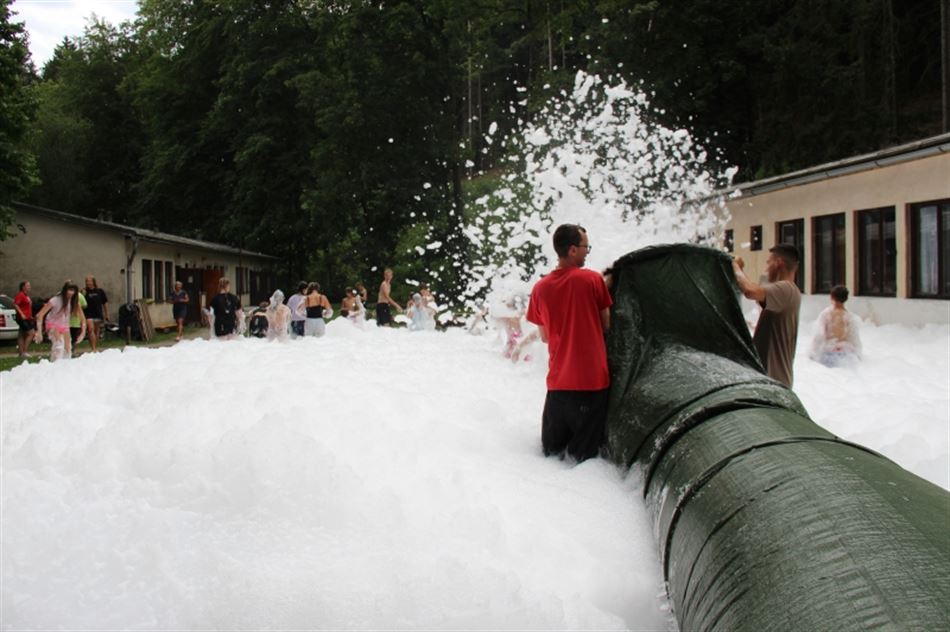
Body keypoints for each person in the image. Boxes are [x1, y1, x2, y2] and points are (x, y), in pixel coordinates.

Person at [526, 224, 613, 462]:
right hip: (591, 385)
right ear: (573, 250)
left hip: (558, 387)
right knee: (584, 463)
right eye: (586, 247)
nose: (587, 252)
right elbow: (606, 324)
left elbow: (545, 337)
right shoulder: (593, 280)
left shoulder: (540, 288)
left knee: (551, 458)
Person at [732, 244, 802, 387]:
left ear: (778, 263)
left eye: (768, 262)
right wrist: (740, 270)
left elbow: (750, 292)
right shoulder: (787, 292)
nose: (766, 268)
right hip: (774, 380)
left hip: (774, 382)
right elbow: (754, 291)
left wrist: (734, 266)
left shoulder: (786, 289)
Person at [810, 285, 862, 367]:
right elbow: (855, 339)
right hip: (846, 354)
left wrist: (812, 353)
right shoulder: (850, 317)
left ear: (832, 297)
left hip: (829, 352)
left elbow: (819, 336)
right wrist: (858, 355)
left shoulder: (827, 314)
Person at [34, 281, 86, 361]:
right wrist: (39, 332)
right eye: (69, 290)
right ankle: (55, 365)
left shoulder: (74, 302)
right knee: (59, 345)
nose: (71, 293)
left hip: (64, 325)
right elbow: (39, 315)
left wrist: (83, 333)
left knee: (68, 349)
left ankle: (65, 366)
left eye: (73, 291)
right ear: (65, 290)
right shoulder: (55, 300)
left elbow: (83, 319)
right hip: (52, 324)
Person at [82, 276, 109, 352]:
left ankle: (94, 346)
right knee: (90, 329)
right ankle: (93, 348)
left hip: (97, 313)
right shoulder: (84, 291)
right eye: (86, 281)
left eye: (89, 281)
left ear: (93, 282)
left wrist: (107, 314)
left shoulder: (100, 291)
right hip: (88, 314)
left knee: (96, 331)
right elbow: (80, 301)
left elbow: (105, 303)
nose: (88, 282)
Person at [14, 281, 35, 358]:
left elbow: (27, 306)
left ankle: (21, 353)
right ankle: (24, 352)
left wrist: (30, 316)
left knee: (21, 334)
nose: (29, 287)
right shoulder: (21, 295)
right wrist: (22, 314)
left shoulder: (26, 295)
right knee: (31, 333)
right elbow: (15, 304)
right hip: (23, 318)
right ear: (23, 287)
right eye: (28, 285)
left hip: (27, 317)